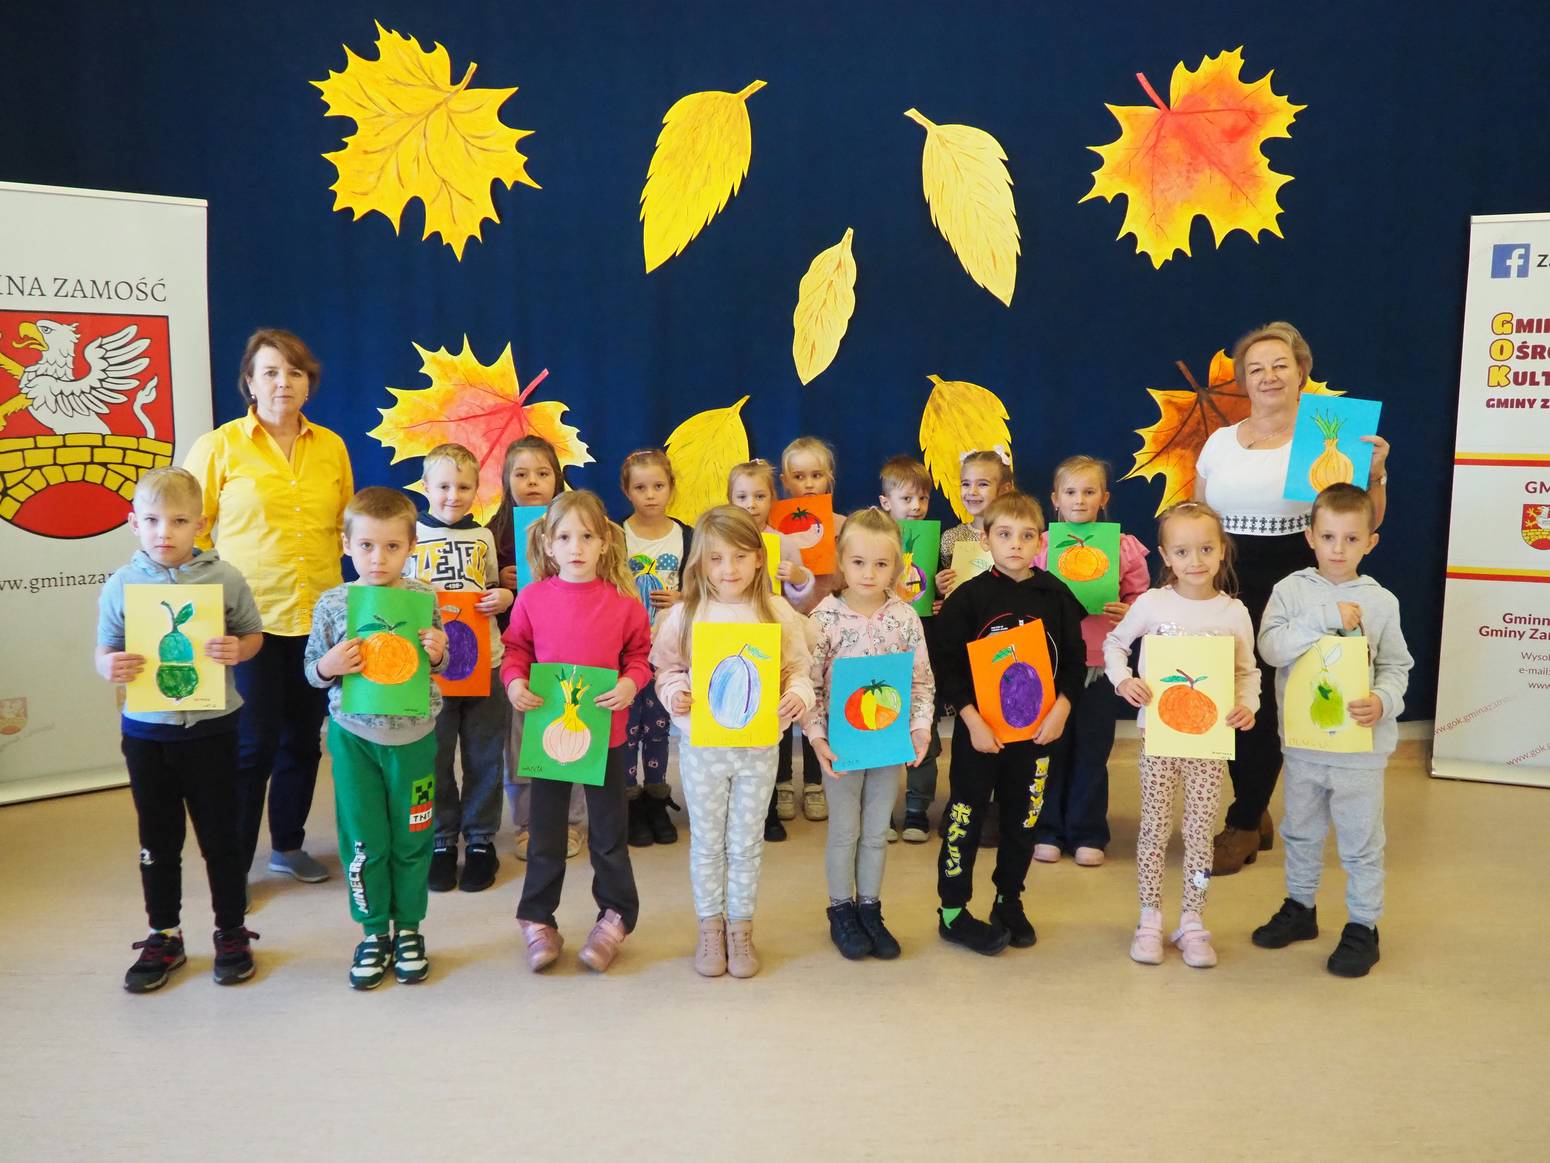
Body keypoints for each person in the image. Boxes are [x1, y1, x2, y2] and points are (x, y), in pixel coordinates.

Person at [1194, 322, 1390, 874]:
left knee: (1266, 703)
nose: (1269, 376)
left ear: (1302, 371)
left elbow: (1365, 522)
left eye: (1280, 364)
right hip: (1223, 580)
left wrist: (1375, 475)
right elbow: (1200, 515)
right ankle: (1253, 807)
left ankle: (1241, 822)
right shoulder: (1219, 442)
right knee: (1225, 694)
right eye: (1256, 368)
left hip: (1290, 582)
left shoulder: (1329, 440)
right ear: (1243, 380)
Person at [185, 329, 353, 886]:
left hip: (318, 620)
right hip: (250, 622)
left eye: (295, 372)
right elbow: (191, 532)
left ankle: (288, 845)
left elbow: (344, 528)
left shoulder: (331, 447)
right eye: (271, 372)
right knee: (251, 746)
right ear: (250, 383)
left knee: (303, 742)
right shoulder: (219, 447)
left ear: (309, 383)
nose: (284, 382)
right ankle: (231, 866)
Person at [96, 467, 265, 992]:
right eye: (151, 520)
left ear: (202, 524)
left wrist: (239, 649)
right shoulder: (122, 584)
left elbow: (252, 635)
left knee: (221, 837)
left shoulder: (225, 578)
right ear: (134, 524)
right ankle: (164, 933)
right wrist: (109, 665)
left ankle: (231, 930)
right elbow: (104, 649)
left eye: (178, 521)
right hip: (147, 734)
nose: (163, 532)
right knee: (157, 839)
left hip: (213, 729)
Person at [1252, 484, 1412, 978]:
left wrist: (1382, 701)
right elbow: (1271, 649)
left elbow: (1396, 666)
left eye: (1351, 538)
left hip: (1360, 752)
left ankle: (1363, 925)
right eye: (1327, 537)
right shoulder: (1291, 591)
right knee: (1300, 831)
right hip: (1304, 746)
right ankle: (1300, 907)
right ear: (1310, 537)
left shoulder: (1381, 602)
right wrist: (1325, 616)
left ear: (1371, 543)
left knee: (1361, 841)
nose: (1338, 549)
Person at [651, 506, 816, 978]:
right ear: (700, 562)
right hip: (702, 749)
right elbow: (667, 669)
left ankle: (740, 927)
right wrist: (675, 693)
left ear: (760, 558)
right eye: (717, 558)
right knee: (707, 842)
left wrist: (798, 696)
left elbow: (798, 670)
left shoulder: (776, 612)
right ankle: (710, 926)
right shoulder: (685, 614)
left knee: (745, 842)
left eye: (740, 556)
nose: (729, 569)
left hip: (758, 750)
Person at [303, 487, 448, 990]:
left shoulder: (422, 599)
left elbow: (438, 665)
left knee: (412, 837)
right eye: (365, 546)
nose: (378, 558)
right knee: (364, 839)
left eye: (391, 546)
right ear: (346, 545)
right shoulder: (333, 603)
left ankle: (408, 929)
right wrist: (329, 665)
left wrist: (438, 651)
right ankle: (372, 932)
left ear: (411, 547)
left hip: (415, 739)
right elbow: (311, 671)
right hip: (354, 740)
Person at [502, 490, 653, 974]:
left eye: (587, 536)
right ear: (548, 545)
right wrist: (515, 682)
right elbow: (515, 651)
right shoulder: (532, 599)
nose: (576, 547)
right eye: (565, 537)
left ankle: (616, 917)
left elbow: (639, 656)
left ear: (605, 543)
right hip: (549, 739)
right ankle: (536, 918)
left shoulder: (624, 603)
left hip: (605, 738)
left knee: (608, 835)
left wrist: (630, 684)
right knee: (546, 834)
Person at [1104, 501, 1259, 969]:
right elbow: (1115, 643)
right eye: (1183, 551)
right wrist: (1123, 680)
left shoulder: (1233, 612)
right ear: (1166, 556)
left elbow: (1247, 671)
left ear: (1222, 551)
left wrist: (1247, 705)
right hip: (1160, 739)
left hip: (1209, 744)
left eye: (1206, 549)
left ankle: (1192, 918)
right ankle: (1149, 917)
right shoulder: (1152, 604)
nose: (1196, 560)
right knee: (1154, 828)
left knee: (1199, 833)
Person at [930, 492, 1085, 955]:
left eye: (1026, 535)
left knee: (1022, 821)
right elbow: (947, 666)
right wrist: (971, 719)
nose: (1015, 544)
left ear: (1040, 541)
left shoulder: (1056, 595)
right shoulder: (968, 598)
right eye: (1004, 534)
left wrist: (1062, 709)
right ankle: (953, 911)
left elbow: (1074, 661)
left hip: (1037, 735)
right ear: (985, 539)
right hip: (981, 734)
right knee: (965, 818)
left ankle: (1008, 900)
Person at [805, 509, 934, 960]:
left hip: (887, 745)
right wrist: (817, 739)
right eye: (858, 562)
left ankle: (870, 908)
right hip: (841, 748)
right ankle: (841, 909)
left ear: (896, 568)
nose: (869, 573)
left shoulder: (905, 618)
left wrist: (919, 729)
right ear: (842, 561)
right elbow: (809, 685)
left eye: (881, 564)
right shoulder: (823, 619)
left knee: (877, 831)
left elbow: (920, 682)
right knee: (845, 831)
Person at [403, 443, 513, 893]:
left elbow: (492, 586)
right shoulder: (409, 535)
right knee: (435, 756)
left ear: (476, 489)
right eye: (444, 486)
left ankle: (481, 840)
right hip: (430, 668)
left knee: (485, 754)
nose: (453, 495)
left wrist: (504, 597)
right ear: (425, 486)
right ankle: (441, 840)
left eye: (464, 487)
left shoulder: (483, 537)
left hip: (485, 660)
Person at [1031, 455, 1149, 867]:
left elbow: (1142, 599)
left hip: (1101, 667)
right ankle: (1047, 829)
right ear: (1055, 499)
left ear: (1104, 498)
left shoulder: (1123, 548)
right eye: (1070, 492)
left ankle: (1087, 831)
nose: (1079, 500)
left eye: (1088, 491)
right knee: (1050, 748)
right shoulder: (1040, 547)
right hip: (1052, 664)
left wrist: (1128, 611)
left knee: (1093, 751)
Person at [487, 435, 587, 860]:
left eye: (542, 473)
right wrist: (500, 581)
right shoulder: (493, 534)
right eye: (521, 474)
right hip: (522, 653)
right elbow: (480, 594)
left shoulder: (576, 529)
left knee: (574, 733)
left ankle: (571, 822)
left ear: (557, 480)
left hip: (571, 650)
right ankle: (529, 824)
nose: (532, 482)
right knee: (522, 743)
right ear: (506, 481)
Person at [726, 458, 814, 842]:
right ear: (730, 500)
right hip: (733, 642)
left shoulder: (784, 543)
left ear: (772, 499)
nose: (751, 504)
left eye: (760, 496)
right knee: (738, 716)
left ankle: (771, 804)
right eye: (742, 496)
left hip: (773, 641)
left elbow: (803, 596)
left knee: (771, 722)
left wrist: (797, 577)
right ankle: (737, 804)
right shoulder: (723, 542)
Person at [934, 447, 1015, 848]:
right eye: (966, 483)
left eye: (983, 483)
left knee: (1006, 727)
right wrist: (940, 590)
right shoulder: (952, 537)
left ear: (1005, 489)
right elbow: (939, 593)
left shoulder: (1015, 534)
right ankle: (963, 806)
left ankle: (998, 807)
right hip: (967, 643)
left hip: (1004, 643)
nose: (972, 492)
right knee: (969, 733)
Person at [618, 448, 692, 847]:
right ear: (626, 491)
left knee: (660, 727)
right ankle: (630, 801)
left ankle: (657, 797)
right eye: (641, 487)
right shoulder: (616, 534)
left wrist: (683, 598)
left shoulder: (686, 535)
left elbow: (703, 584)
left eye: (658, 486)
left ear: (671, 488)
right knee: (629, 728)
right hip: (627, 650)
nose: (650, 495)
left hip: (668, 650)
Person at [774, 436, 844, 826]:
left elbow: (849, 578)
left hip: (828, 629)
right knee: (786, 700)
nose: (809, 484)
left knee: (821, 702)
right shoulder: (771, 529)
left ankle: (815, 781)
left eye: (816, 475)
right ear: (785, 481)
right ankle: (784, 780)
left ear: (829, 477)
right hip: (785, 630)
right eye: (799, 477)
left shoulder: (841, 526)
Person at [876, 453, 942, 843]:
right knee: (880, 727)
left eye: (922, 498)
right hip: (881, 647)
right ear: (886, 503)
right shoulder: (873, 540)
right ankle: (881, 810)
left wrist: (942, 590)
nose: (916, 506)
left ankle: (917, 808)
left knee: (923, 728)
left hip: (922, 647)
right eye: (906, 499)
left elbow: (936, 591)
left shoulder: (936, 541)